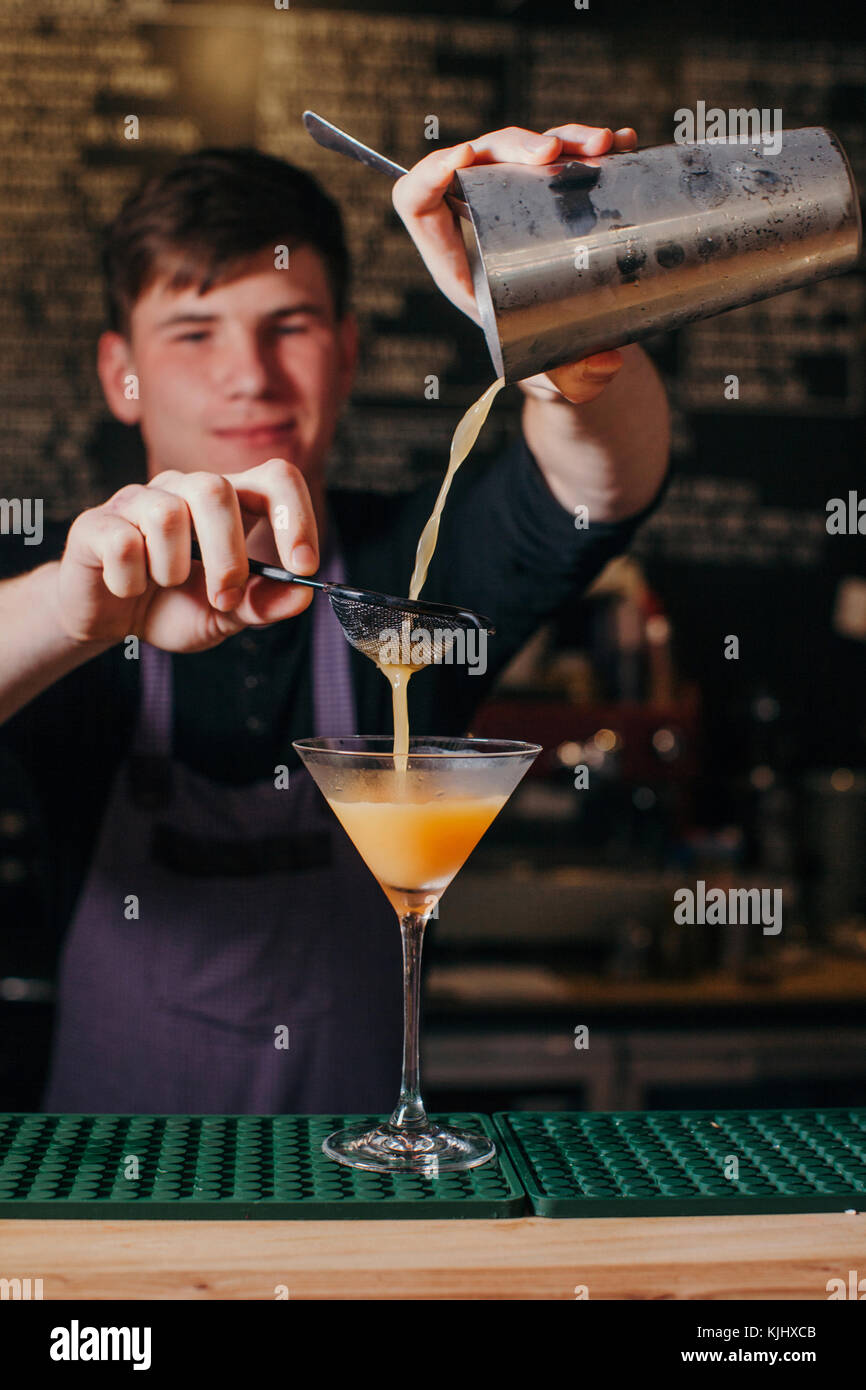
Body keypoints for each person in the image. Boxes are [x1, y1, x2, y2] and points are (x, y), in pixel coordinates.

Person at [0, 122, 670, 1114]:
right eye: (194, 333)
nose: (251, 375)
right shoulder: (61, 578)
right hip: (111, 1199)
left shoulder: (416, 565)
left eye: (289, 325)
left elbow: (597, 482)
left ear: (348, 350)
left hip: (363, 1199)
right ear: (118, 374)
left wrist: (563, 336)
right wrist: (73, 606)